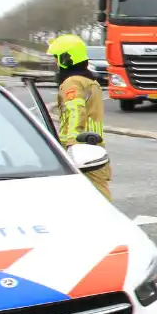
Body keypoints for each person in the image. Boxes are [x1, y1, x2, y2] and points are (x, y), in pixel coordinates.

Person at [47, 34, 112, 201]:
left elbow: (76, 111)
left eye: (57, 58)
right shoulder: (89, 81)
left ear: (66, 58)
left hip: (80, 149)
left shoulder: (73, 83)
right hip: (94, 146)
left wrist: (71, 143)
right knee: (99, 194)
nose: (56, 63)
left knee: (95, 198)